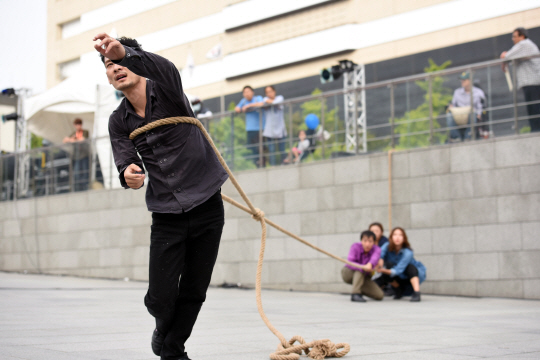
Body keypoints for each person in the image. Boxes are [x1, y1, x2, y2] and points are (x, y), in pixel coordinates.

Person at [94, 33, 228, 360]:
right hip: (167, 214)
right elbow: (124, 157)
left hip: (207, 203)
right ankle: (162, 326)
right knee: (161, 297)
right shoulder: (118, 121)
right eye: (109, 65)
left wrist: (124, 52)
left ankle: (173, 349)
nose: (115, 68)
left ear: (136, 61)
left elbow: (163, 66)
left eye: (120, 62)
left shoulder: (166, 88)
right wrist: (129, 172)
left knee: (195, 289)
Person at [500, 27, 540, 132]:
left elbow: (507, 56)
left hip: (533, 83)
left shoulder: (524, 44)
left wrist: (504, 57)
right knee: (532, 109)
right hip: (530, 83)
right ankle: (535, 130)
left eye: (514, 36)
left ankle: (536, 130)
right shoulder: (524, 46)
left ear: (522, 36)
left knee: (535, 109)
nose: (513, 39)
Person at [375, 227, 426, 302]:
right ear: (391, 237)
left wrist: (382, 270)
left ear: (404, 238)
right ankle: (398, 289)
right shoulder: (387, 245)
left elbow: (398, 270)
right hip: (398, 277)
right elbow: (380, 253)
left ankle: (417, 292)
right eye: (395, 235)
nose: (397, 237)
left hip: (409, 276)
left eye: (400, 235)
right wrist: (380, 262)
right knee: (387, 265)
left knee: (410, 267)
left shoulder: (408, 252)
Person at [341, 230, 384, 302]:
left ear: (374, 242)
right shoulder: (355, 246)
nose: (367, 244)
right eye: (365, 241)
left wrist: (370, 265)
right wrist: (364, 267)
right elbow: (350, 262)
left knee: (379, 295)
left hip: (364, 277)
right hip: (348, 273)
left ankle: (358, 289)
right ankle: (355, 294)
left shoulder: (377, 249)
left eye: (370, 241)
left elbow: (374, 258)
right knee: (361, 269)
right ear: (361, 241)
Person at [446, 72, 485, 142]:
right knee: (449, 115)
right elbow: (453, 105)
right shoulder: (457, 92)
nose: (462, 82)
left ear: (470, 81)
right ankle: (456, 137)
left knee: (473, 114)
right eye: (461, 80)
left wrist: (479, 114)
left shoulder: (478, 92)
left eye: (464, 80)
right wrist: (450, 107)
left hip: (472, 115)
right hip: (459, 115)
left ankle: (468, 136)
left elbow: (480, 106)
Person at [235, 86, 264, 167]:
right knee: (252, 148)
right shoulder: (243, 101)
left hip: (260, 128)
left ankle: (262, 164)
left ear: (252, 92)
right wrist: (241, 109)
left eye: (248, 91)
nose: (247, 94)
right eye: (245, 92)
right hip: (250, 129)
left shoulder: (257, 98)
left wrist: (249, 106)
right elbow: (237, 108)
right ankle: (256, 164)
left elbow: (261, 103)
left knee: (261, 148)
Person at [261, 86, 287, 166]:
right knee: (271, 150)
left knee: (282, 149)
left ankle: (284, 164)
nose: (269, 93)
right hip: (269, 130)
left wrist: (269, 101)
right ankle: (273, 166)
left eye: (270, 91)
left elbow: (275, 102)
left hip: (280, 129)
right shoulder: (265, 100)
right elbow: (263, 102)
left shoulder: (280, 98)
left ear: (274, 91)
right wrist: (268, 101)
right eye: (267, 92)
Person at [63, 118, 89, 191]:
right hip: (76, 156)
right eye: (77, 124)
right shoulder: (74, 133)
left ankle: (85, 187)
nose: (78, 126)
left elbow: (83, 139)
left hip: (84, 155)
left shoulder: (85, 132)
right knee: (76, 173)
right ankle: (79, 187)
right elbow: (65, 140)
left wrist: (73, 140)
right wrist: (73, 139)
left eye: (79, 124)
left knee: (85, 172)